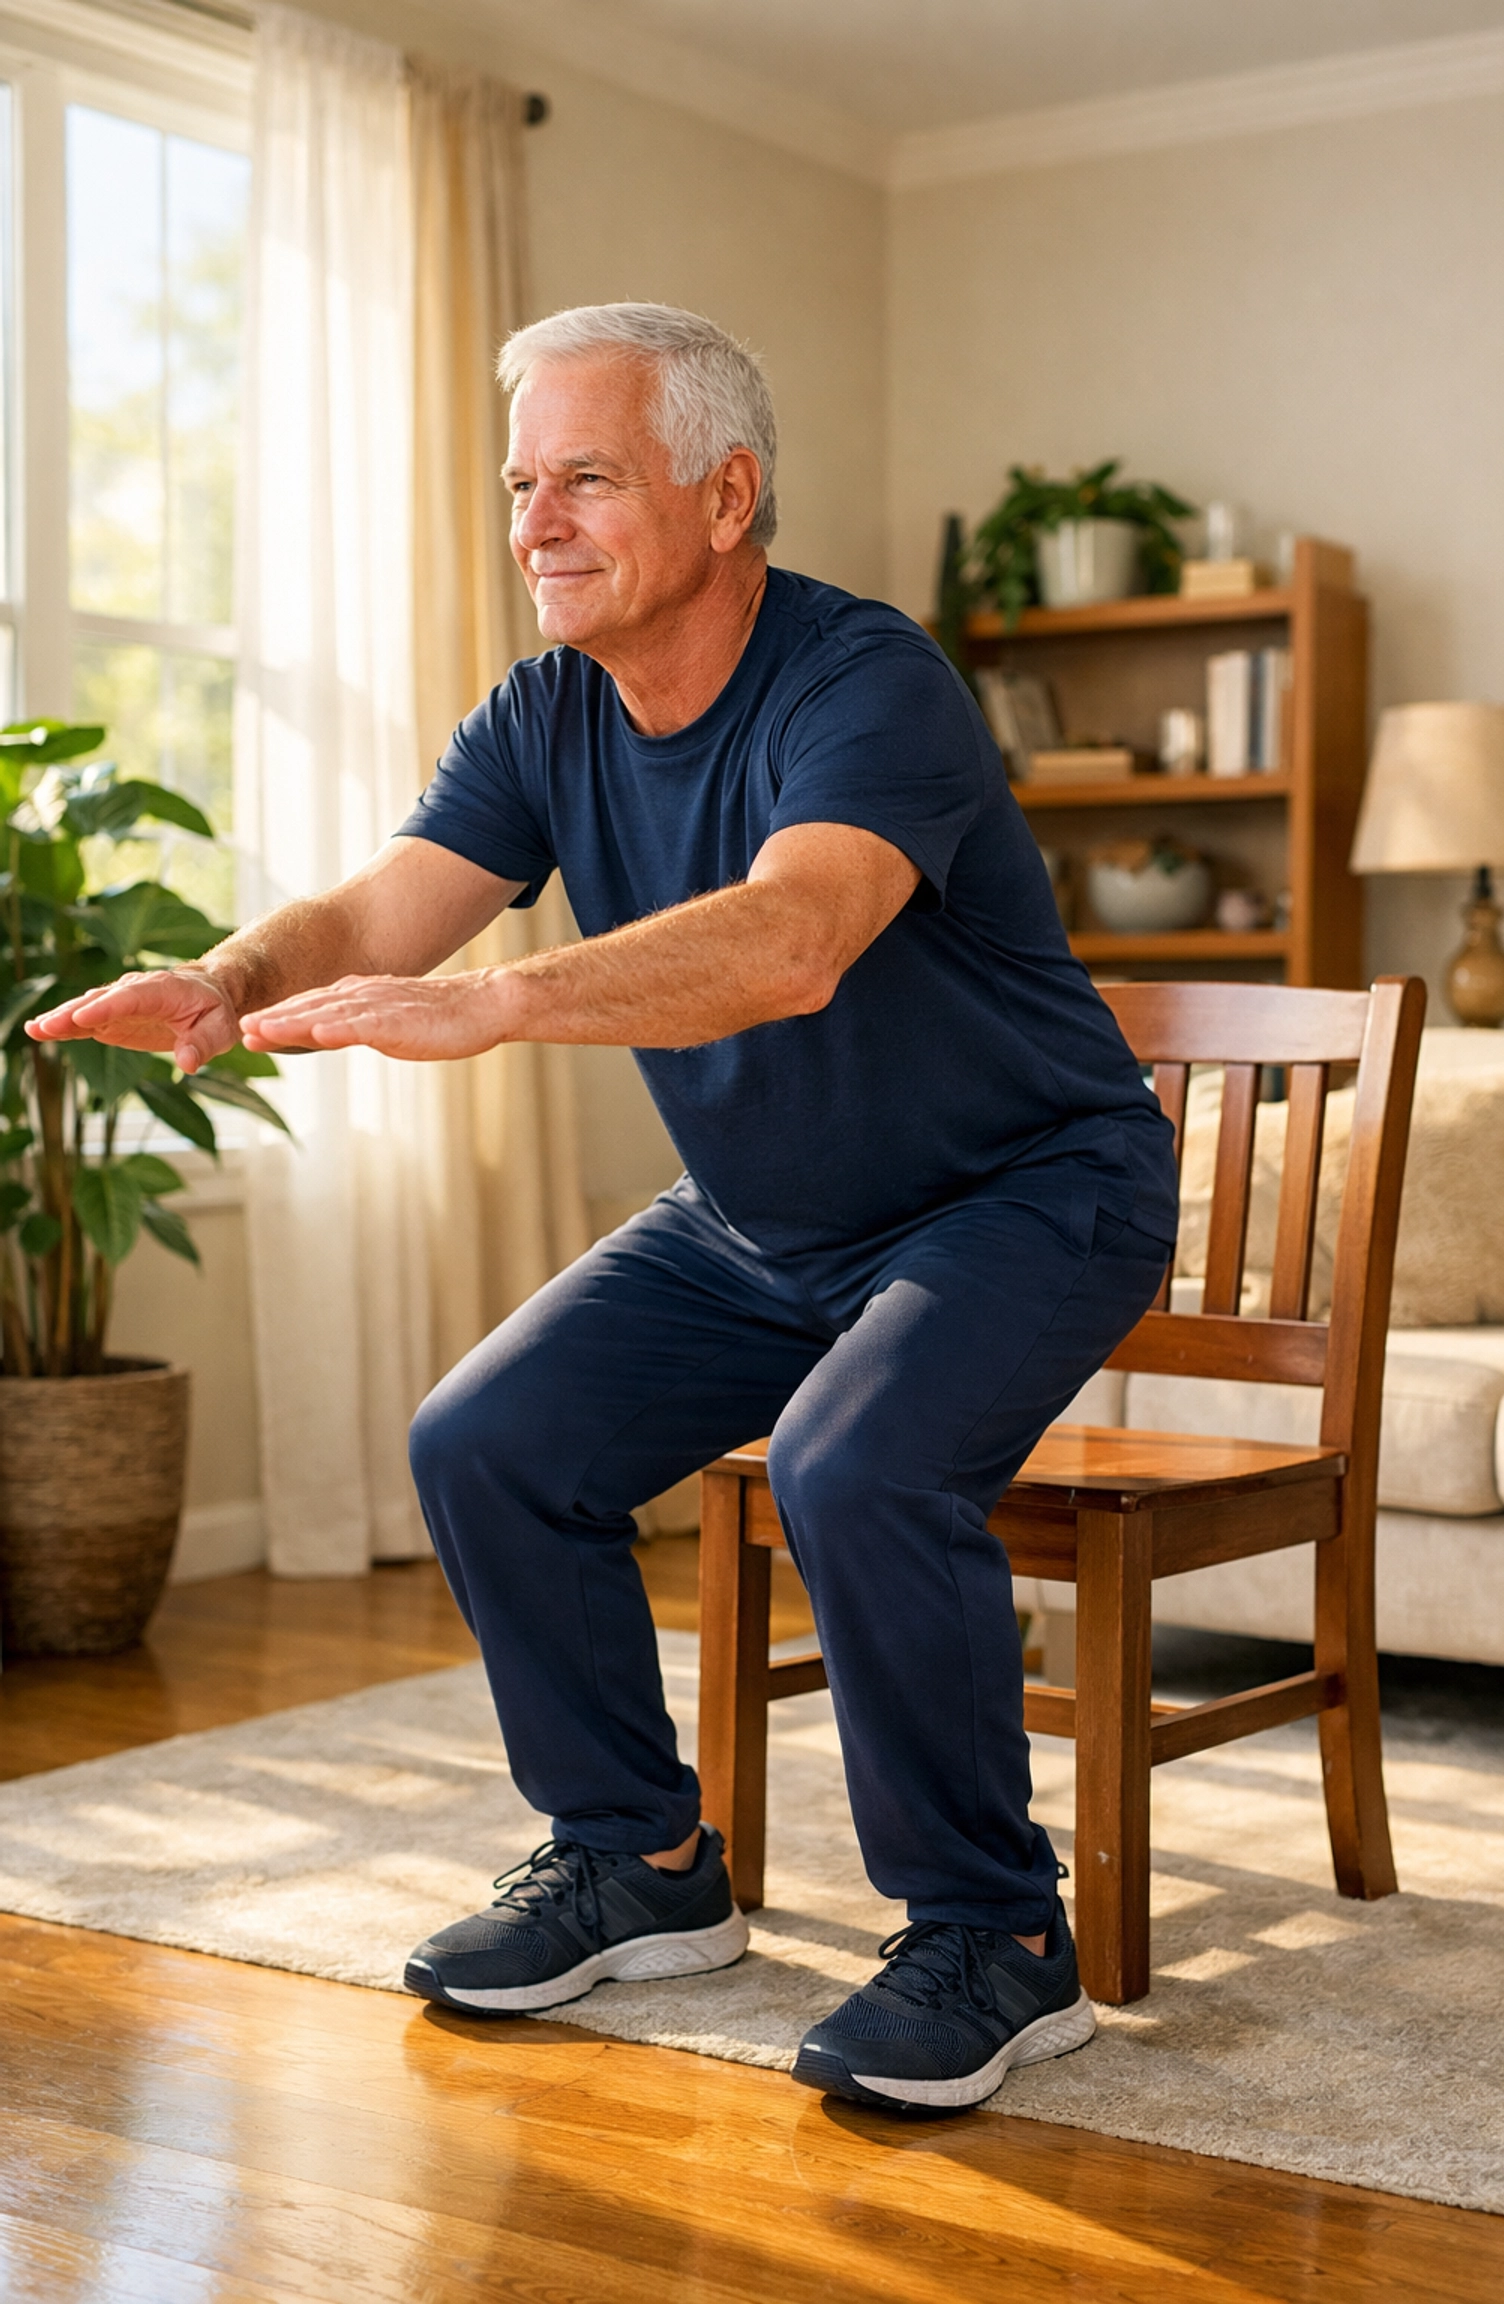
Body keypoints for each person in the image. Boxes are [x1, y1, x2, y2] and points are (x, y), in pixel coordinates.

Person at [31, 302, 1177, 2115]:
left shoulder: (861, 680)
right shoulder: (545, 712)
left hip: (1028, 1194)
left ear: (729, 499)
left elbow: (797, 937)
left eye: (584, 477)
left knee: (856, 1462)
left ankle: (995, 1938)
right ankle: (638, 1861)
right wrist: (235, 977)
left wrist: (499, 1003)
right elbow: (389, 909)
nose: (535, 521)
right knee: (486, 1439)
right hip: (760, 1220)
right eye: (518, 482)